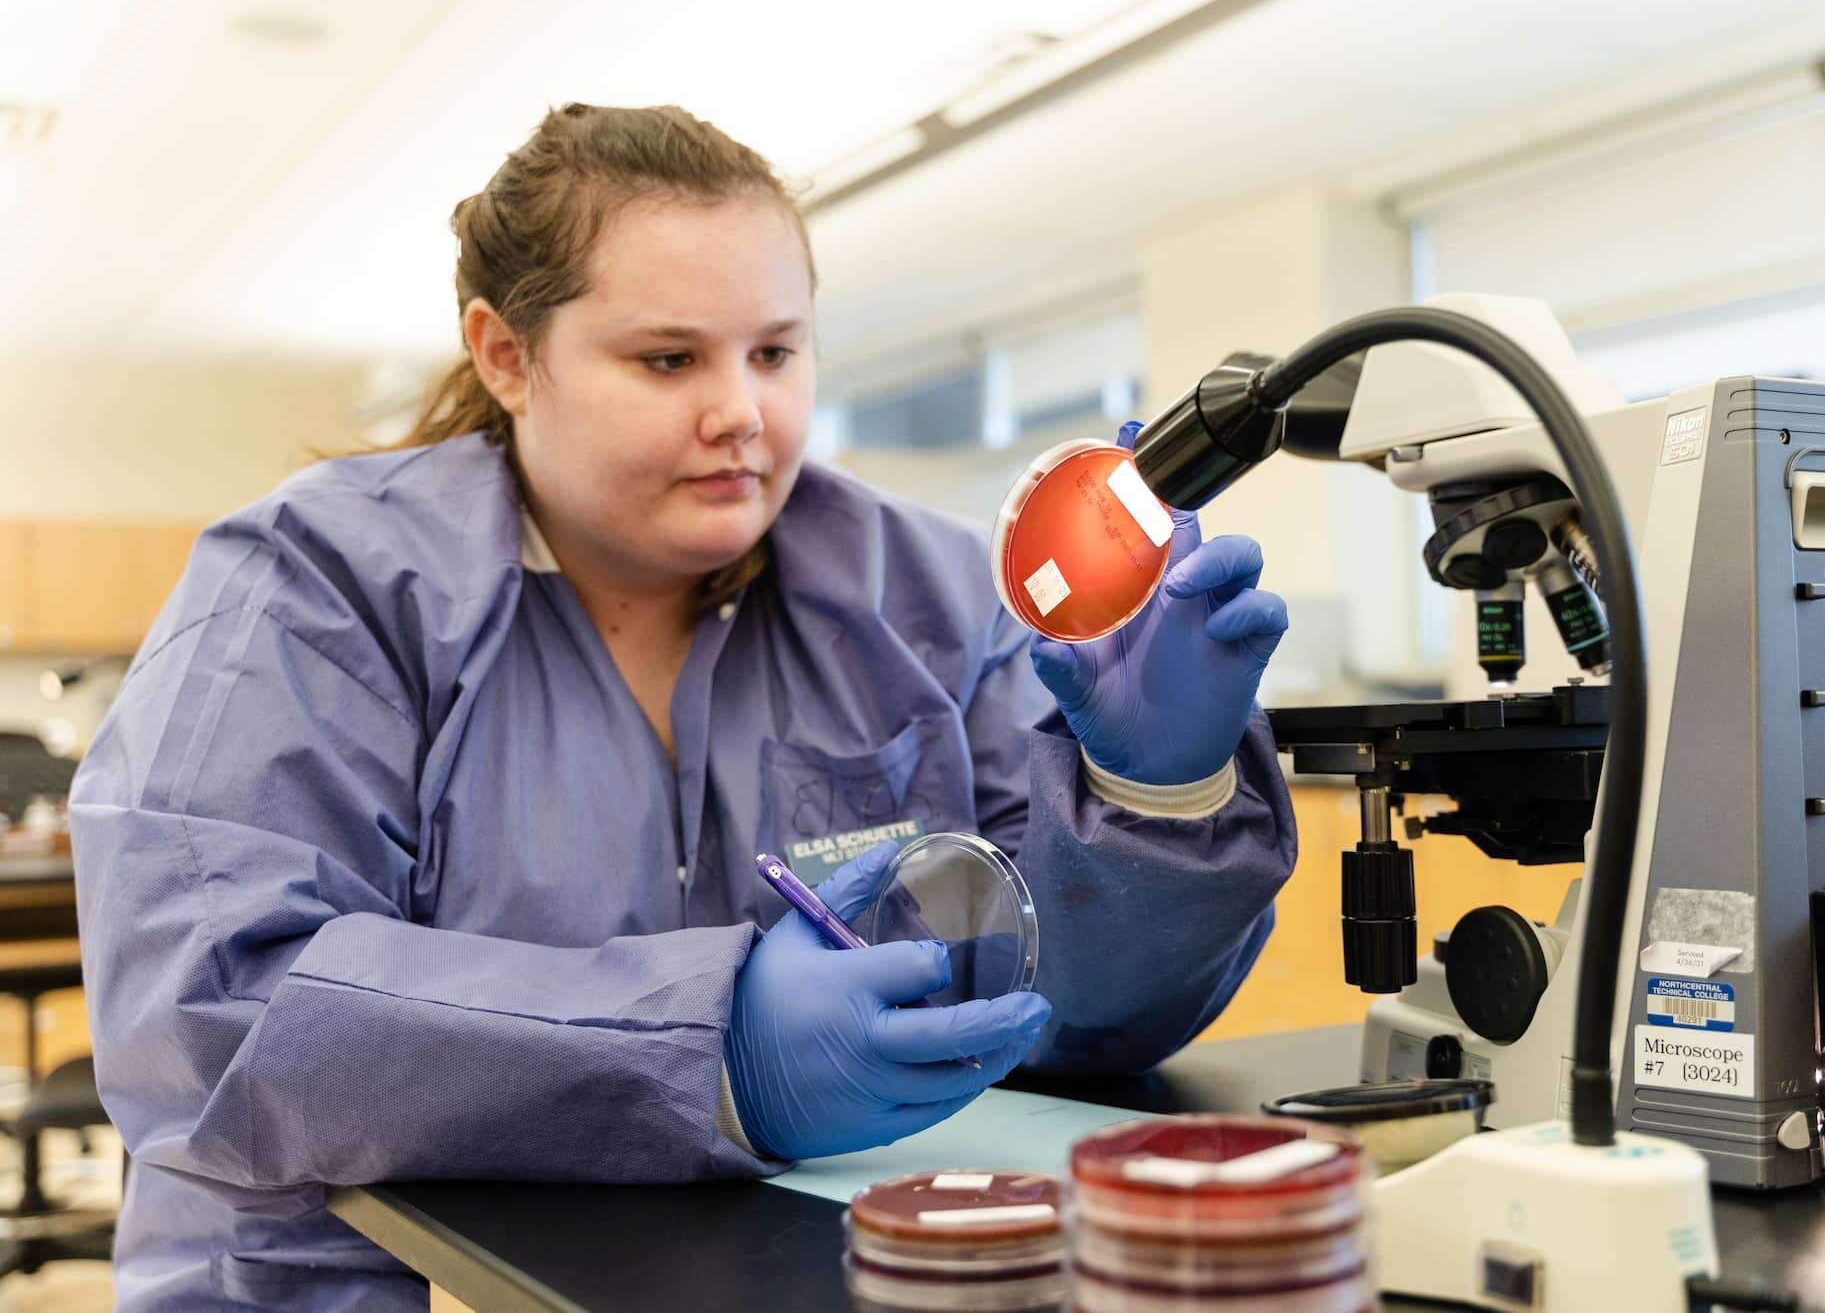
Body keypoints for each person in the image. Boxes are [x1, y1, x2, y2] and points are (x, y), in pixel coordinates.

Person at [71, 103, 1297, 1309]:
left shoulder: (918, 593)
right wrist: (705, 1046)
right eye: (668, 359)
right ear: (507, 355)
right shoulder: (313, 587)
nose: (741, 413)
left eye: (774, 352)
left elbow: (1050, 1015)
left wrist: (1154, 801)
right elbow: (215, 998)